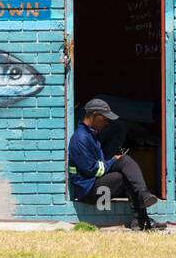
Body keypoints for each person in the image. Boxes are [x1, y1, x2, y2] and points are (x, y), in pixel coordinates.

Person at [68, 98, 165, 231]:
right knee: (123, 175)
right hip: (88, 191)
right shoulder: (81, 138)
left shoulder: (91, 135)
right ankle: (142, 219)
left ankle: (143, 199)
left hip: (94, 183)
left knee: (124, 162)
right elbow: (92, 171)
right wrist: (113, 161)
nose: (107, 122)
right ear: (95, 115)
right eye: (105, 118)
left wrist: (115, 160)